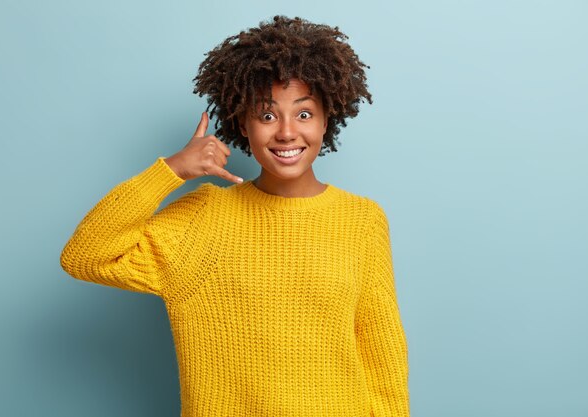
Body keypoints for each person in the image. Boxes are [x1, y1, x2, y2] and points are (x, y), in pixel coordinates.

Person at [60, 15, 410, 416]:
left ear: (327, 118)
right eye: (266, 115)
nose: (286, 132)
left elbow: (382, 354)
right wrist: (170, 170)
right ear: (242, 124)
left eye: (304, 113)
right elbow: (86, 255)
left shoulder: (362, 220)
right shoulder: (203, 217)